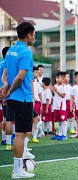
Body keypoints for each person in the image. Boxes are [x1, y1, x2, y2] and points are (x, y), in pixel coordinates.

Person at [0, 22, 36, 179]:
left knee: (34, 120)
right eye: (34, 34)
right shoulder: (26, 52)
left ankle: (25, 149)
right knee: (21, 134)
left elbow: (6, 74)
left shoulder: (11, 51)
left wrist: (6, 86)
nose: (34, 37)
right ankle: (17, 170)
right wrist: (9, 90)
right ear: (28, 35)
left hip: (13, 98)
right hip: (22, 97)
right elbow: (21, 76)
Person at [51, 72, 67, 141]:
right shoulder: (56, 86)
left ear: (63, 79)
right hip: (56, 106)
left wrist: (56, 90)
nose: (57, 79)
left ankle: (64, 135)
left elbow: (63, 95)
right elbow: (54, 95)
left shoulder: (63, 86)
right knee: (59, 121)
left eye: (58, 78)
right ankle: (60, 134)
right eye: (56, 77)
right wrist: (52, 91)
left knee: (63, 121)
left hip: (61, 106)